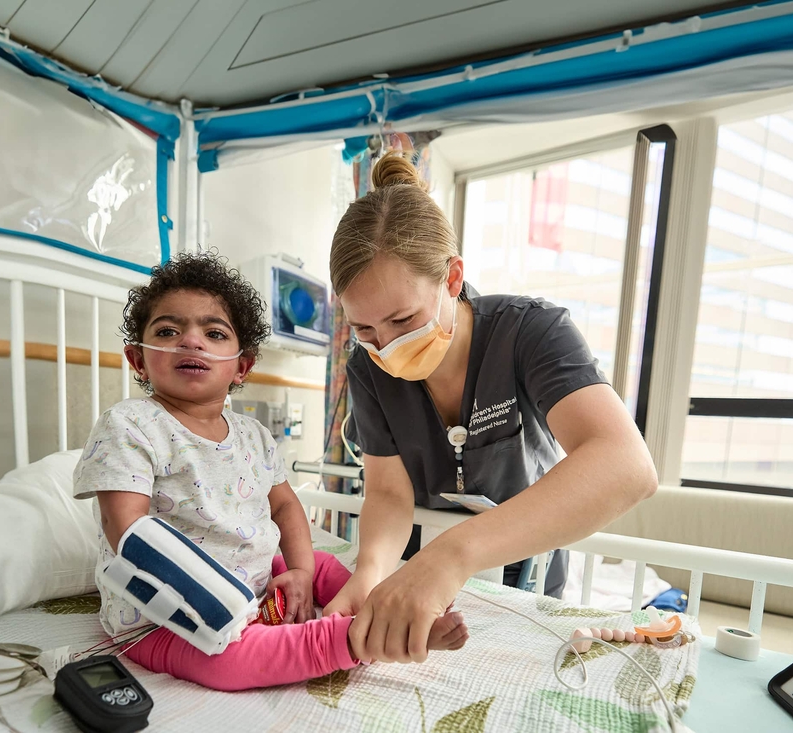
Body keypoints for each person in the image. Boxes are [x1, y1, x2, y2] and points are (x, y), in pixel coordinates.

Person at [72, 252, 468, 690]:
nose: (191, 341)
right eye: (168, 330)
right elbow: (127, 530)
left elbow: (285, 505)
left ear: (242, 366)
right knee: (231, 660)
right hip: (164, 615)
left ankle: (397, 604)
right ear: (138, 359)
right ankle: (357, 639)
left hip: (256, 575)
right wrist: (223, 607)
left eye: (214, 332)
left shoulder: (253, 436)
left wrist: (297, 571)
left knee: (321, 565)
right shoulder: (129, 424)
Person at [321, 154, 659, 665]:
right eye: (365, 329)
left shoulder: (531, 332)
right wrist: (370, 571)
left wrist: (451, 555)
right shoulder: (366, 369)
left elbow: (625, 466)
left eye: (403, 319)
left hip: (525, 568)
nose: (386, 347)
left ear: (452, 277)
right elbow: (390, 492)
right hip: (421, 569)